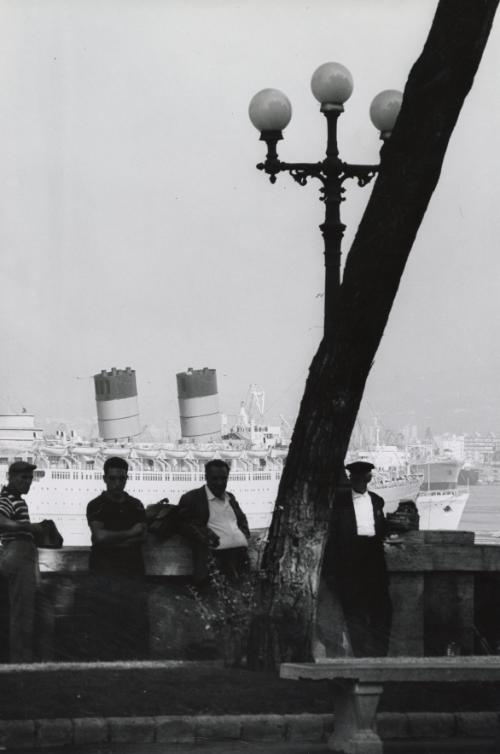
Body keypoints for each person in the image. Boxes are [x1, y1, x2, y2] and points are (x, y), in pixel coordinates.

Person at [323, 460, 392, 657]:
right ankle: (361, 655)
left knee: (382, 611)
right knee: (354, 614)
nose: (360, 482)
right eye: (356, 478)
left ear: (369, 479)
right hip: (350, 562)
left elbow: (381, 528)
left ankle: (380, 654)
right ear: (351, 479)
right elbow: (333, 537)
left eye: (364, 478)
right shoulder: (340, 504)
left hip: (374, 562)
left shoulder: (377, 501)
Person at [85, 456, 148, 659]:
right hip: (105, 572)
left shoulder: (136, 505)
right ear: (104, 478)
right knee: (106, 621)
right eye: (113, 478)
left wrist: (112, 540)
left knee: (133, 620)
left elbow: (143, 537)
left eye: (121, 479)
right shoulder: (96, 505)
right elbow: (99, 537)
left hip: (132, 571)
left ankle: (132, 662)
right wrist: (130, 534)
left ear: (127, 478)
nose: (117, 483)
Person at [177, 459, 250, 584]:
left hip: (239, 557)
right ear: (206, 477)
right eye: (215, 478)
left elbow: (241, 519)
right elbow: (182, 523)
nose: (219, 482)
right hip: (215, 559)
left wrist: (243, 535)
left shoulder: (230, 497)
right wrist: (206, 537)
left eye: (223, 478)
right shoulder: (192, 498)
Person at [0, 461, 41, 662]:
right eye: (22, 478)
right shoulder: (7, 498)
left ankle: (20, 657)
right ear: (10, 477)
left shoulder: (16, 499)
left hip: (19, 553)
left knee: (20, 609)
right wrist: (29, 528)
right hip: (18, 553)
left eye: (30, 478)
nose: (27, 482)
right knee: (22, 611)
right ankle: (21, 659)